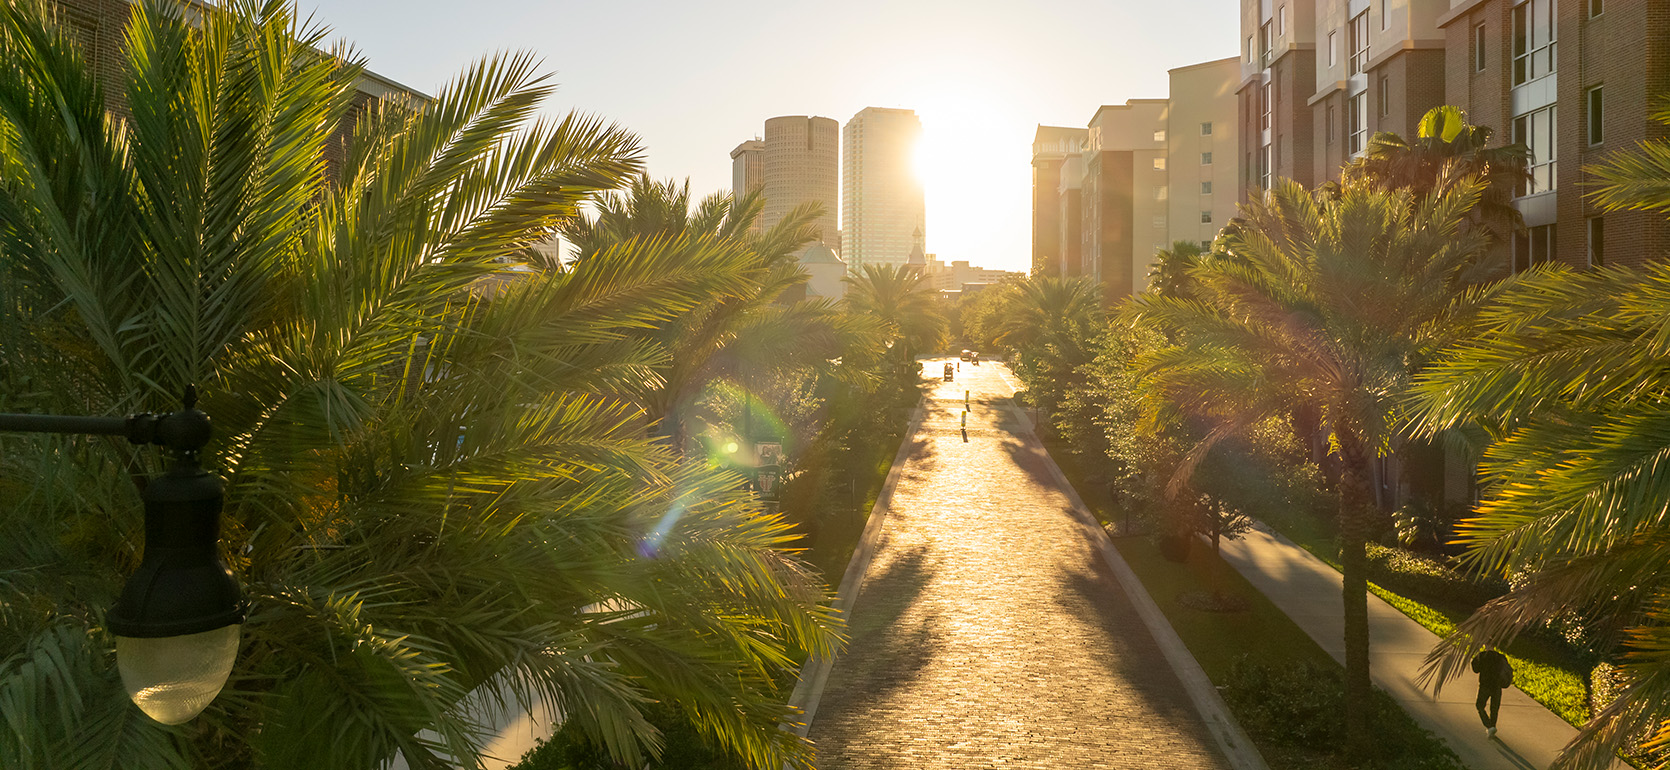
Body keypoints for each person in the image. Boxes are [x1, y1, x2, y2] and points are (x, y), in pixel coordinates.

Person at [1471, 647, 1513, 739]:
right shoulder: (1501, 657)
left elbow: (1475, 669)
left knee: (1480, 706)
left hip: (1485, 685)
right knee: (1494, 709)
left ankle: (1489, 726)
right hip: (1497, 686)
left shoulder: (1482, 656)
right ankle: (1492, 726)